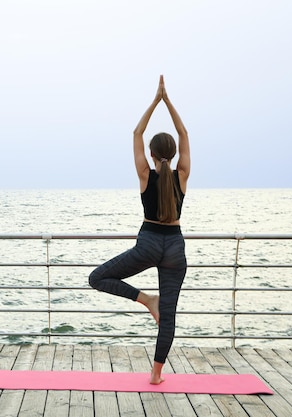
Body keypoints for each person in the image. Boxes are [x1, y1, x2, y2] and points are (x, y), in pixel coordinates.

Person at [88, 75, 190, 385]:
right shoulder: (181, 175)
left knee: (97, 278)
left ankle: (145, 299)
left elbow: (136, 131)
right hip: (174, 247)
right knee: (168, 317)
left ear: (151, 152)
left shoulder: (145, 174)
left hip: (147, 243)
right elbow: (183, 132)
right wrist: (169, 102)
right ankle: (156, 375)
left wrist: (155, 100)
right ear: (172, 154)